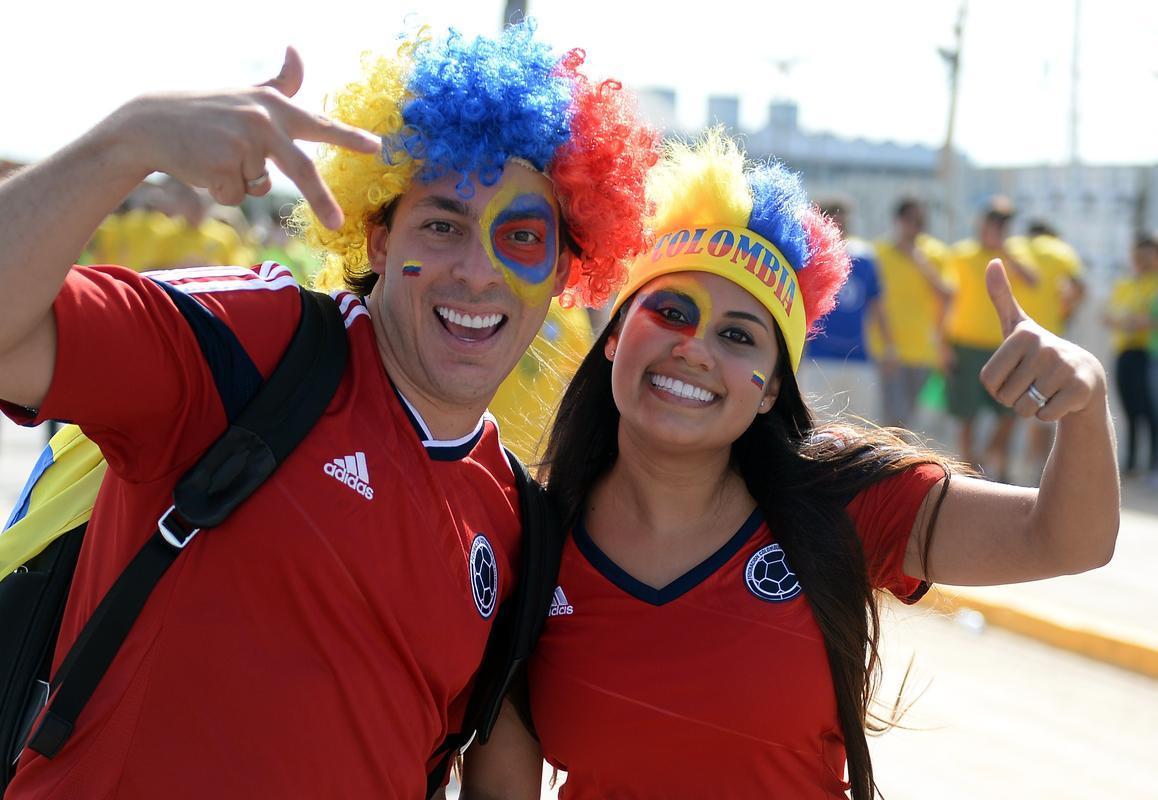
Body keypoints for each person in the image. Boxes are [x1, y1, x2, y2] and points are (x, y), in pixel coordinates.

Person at [0, 23, 657, 798]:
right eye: (441, 225)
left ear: (561, 271)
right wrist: (128, 139)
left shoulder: (518, 522)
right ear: (377, 240)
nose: (477, 273)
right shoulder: (254, 345)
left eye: (520, 236)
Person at [458, 132, 1118, 799]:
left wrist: (1085, 401)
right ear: (616, 337)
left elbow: (1066, 538)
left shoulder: (843, 501)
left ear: (771, 386)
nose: (694, 349)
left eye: (738, 335)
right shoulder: (531, 540)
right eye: (670, 311)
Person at [942, 196, 1039, 479]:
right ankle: (969, 473)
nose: (998, 227)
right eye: (994, 221)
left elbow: (1033, 281)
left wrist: (1005, 252)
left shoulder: (1015, 255)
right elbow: (946, 299)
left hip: (1004, 346)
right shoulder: (961, 254)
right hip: (965, 346)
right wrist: (943, 345)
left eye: (1004, 223)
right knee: (966, 415)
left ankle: (997, 464)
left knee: (1011, 412)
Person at [797, 195, 889, 423]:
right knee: (816, 426)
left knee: (862, 427)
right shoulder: (809, 258)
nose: (840, 226)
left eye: (844, 221)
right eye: (835, 220)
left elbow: (877, 305)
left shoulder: (864, 259)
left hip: (859, 357)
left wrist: (889, 346)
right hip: (820, 357)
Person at [870, 196, 952, 429]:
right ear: (898, 220)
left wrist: (920, 261)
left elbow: (947, 295)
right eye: (910, 220)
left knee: (907, 420)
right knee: (890, 419)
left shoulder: (935, 253)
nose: (915, 226)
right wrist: (887, 346)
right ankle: (890, 466)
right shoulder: (879, 252)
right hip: (886, 349)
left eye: (920, 221)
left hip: (922, 351)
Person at [1104, 234, 1158, 479]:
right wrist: (1130, 322)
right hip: (1124, 352)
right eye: (1138, 254)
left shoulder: (1154, 283)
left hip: (1146, 353)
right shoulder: (1124, 283)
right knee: (1130, 411)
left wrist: (1131, 322)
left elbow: (1147, 320)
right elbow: (1109, 316)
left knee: (1150, 410)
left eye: (1148, 255)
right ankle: (1132, 463)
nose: (1142, 260)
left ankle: (1152, 465)